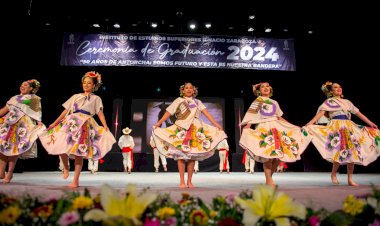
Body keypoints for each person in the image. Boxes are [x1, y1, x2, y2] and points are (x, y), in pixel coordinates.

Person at [39, 71, 116, 188]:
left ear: (94, 85)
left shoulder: (96, 98)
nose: (86, 85)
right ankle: (65, 167)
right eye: (84, 83)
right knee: (61, 146)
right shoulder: (76, 96)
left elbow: (100, 113)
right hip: (71, 121)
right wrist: (54, 123)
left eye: (89, 83)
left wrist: (105, 125)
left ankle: (75, 180)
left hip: (85, 123)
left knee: (79, 152)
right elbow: (65, 111)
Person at [152, 82, 227, 188]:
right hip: (181, 127)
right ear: (182, 90)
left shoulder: (197, 102)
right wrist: (159, 123)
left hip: (195, 129)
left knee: (192, 157)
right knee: (181, 157)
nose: (188, 89)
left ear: (194, 90)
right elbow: (168, 112)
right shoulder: (178, 101)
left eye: (191, 88)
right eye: (186, 88)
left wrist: (216, 125)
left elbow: (207, 114)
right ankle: (182, 181)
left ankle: (190, 181)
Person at [305, 81, 379, 186]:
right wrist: (309, 123)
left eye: (340, 87)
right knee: (338, 153)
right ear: (330, 92)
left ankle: (350, 179)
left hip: (348, 127)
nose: (339, 89)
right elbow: (320, 114)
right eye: (335, 87)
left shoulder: (347, 102)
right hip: (336, 128)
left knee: (352, 153)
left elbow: (359, 114)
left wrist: (370, 123)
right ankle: (333, 174)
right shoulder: (329, 102)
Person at [239, 82, 311, 187]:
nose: (265, 88)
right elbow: (252, 115)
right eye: (262, 87)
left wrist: (293, 126)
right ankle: (269, 180)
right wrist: (248, 126)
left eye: (267, 86)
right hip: (264, 127)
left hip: (276, 128)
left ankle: (269, 178)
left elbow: (279, 117)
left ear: (270, 89)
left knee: (279, 155)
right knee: (268, 155)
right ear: (259, 91)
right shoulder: (258, 101)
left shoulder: (274, 102)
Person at [0, 79, 45, 183]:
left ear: (31, 89)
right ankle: (1, 172)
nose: (22, 86)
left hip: (21, 125)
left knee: (13, 150)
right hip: (9, 123)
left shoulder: (33, 99)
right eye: (21, 85)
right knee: (2, 146)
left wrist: (39, 123)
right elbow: (4, 110)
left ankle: (10, 173)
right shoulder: (14, 98)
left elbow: (37, 112)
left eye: (25, 85)